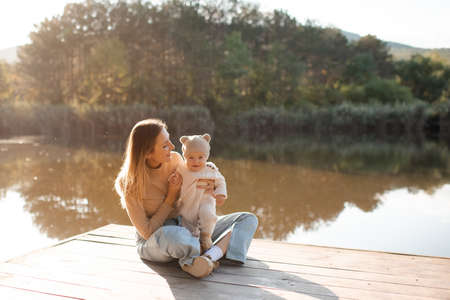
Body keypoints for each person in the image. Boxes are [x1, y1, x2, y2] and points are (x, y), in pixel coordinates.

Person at [114, 119, 258, 278]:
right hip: (157, 240)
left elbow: (193, 181)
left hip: (188, 225)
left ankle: (208, 258)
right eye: (164, 145)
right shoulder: (128, 183)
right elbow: (147, 232)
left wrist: (209, 187)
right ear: (148, 153)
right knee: (175, 236)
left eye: (169, 139)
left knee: (246, 219)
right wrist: (170, 197)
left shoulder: (175, 159)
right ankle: (204, 252)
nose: (172, 146)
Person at [176, 133, 227, 253]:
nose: (196, 161)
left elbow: (220, 181)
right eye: (191, 157)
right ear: (184, 156)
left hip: (206, 200)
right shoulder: (182, 169)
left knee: (208, 215)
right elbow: (174, 179)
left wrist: (220, 194)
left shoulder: (210, 169)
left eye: (201, 157)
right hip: (188, 204)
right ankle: (194, 246)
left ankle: (206, 237)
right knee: (186, 225)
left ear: (206, 156)